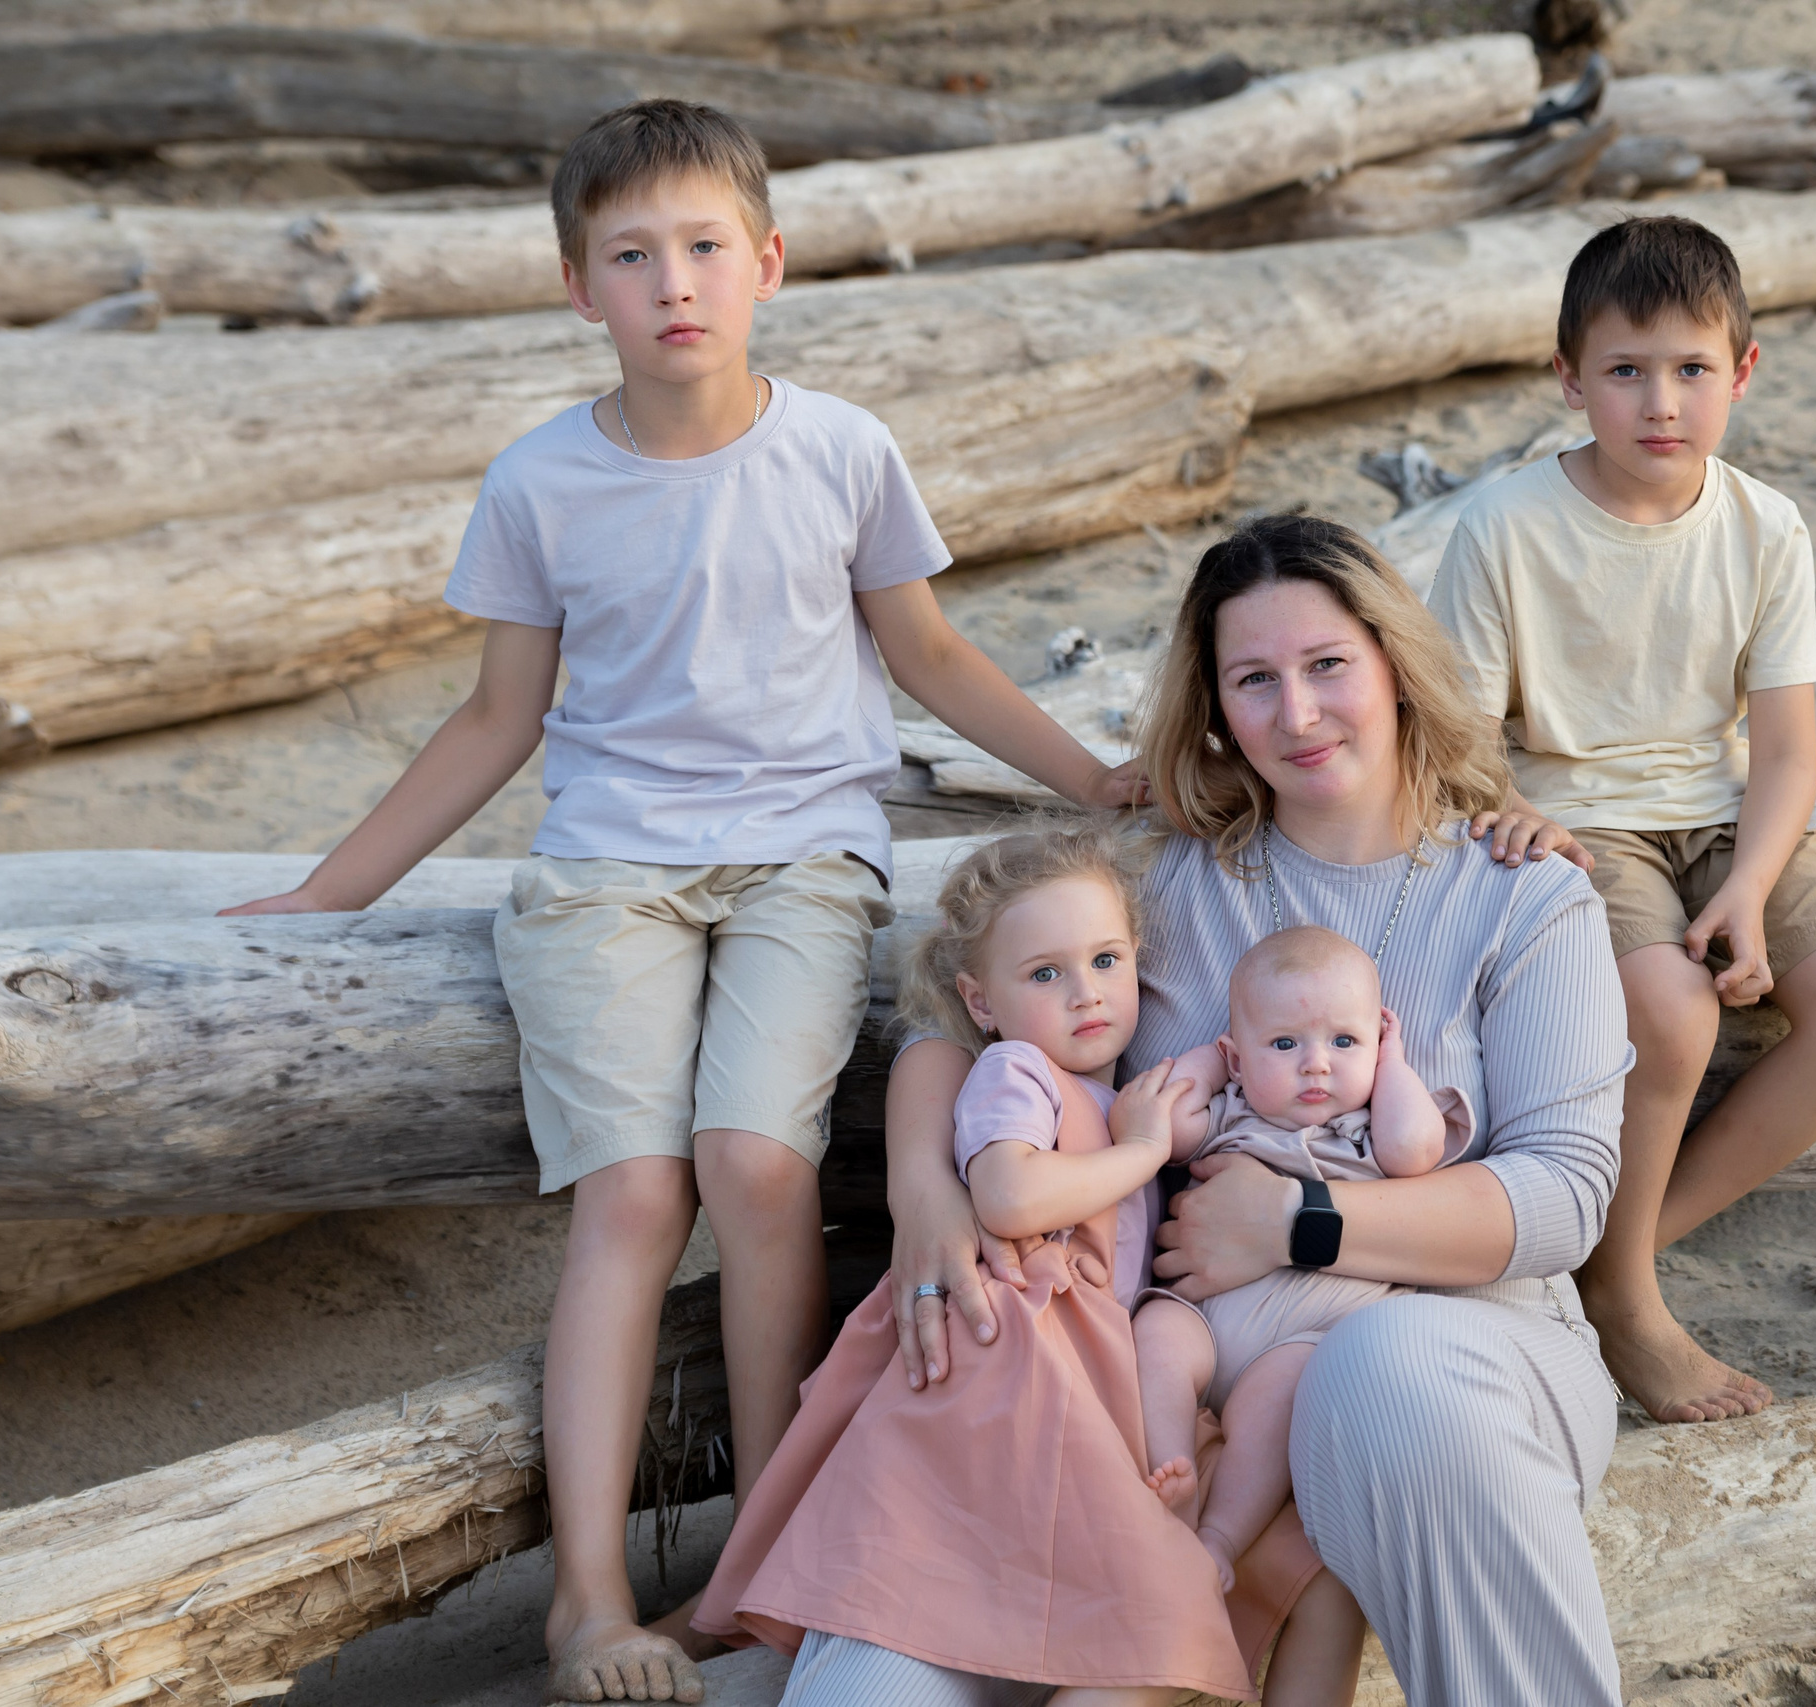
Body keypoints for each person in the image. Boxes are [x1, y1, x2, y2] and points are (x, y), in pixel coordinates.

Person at [221, 99, 1136, 1705]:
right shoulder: (543, 480)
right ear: (581, 288)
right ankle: (590, 1596)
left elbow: (928, 656)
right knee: (635, 1197)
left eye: (705, 247)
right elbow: (498, 720)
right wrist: (331, 890)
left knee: (755, 1161)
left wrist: (1094, 775)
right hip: (605, 870)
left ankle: (764, 1561)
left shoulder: (841, 449)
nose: (674, 284)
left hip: (802, 857)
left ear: (767, 262)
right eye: (631, 257)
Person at [878, 514, 1634, 1707]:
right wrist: (922, 1188)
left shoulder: (1523, 895)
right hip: (1174, 1377)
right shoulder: (1170, 876)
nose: (1298, 713)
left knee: (1384, 1366)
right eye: (1254, 681)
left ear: (1393, 664)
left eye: (1328, 664)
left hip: (1464, 1359)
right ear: (1218, 711)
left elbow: (1565, 1198)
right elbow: (952, 1018)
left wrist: (1300, 1224)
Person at [1424, 214, 1816, 1426]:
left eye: (1693, 369)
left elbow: (1786, 750)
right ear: (1568, 376)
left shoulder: (1763, 526)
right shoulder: (1504, 526)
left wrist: (1747, 892)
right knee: (1669, 1010)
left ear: (1740, 372)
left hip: (1723, 814)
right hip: (1580, 821)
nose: (1661, 402)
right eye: (1626, 370)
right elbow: (1458, 741)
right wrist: (1516, 812)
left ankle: (1612, 1258)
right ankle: (1633, 1305)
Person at [688, 821, 1253, 1705]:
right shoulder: (1014, 1072)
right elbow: (1010, 1197)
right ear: (980, 1001)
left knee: (1139, 1605)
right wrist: (1143, 1153)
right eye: (1044, 973)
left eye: (1106, 960)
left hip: (1073, 1376)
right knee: (952, 1548)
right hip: (1004, 1369)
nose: (1086, 993)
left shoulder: (1110, 1093)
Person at [1132, 923, 1468, 1619]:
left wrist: (1392, 1060)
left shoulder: (1373, 1128)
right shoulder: (1229, 1112)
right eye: (1285, 1044)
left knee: (1280, 1402)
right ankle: (1170, 1476)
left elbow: (1415, 1150)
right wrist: (1219, 1064)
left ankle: (1220, 1537)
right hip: (1204, 1316)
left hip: (1302, 1340)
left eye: (1344, 1041)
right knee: (1156, 1335)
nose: (1316, 1064)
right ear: (1236, 1055)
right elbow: (1162, 1117)